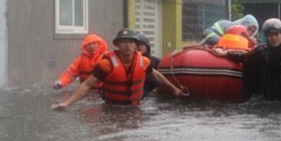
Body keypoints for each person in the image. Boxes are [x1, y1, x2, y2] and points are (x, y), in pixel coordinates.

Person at [51, 29, 186, 110]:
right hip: (111, 108)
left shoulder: (144, 62)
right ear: (118, 45)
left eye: (131, 42)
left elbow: (157, 76)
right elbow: (87, 85)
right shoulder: (106, 64)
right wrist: (66, 104)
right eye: (123, 42)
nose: (127, 45)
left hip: (136, 107)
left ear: (136, 46)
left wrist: (175, 90)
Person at [212, 18, 281, 101]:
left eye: (276, 34)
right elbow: (244, 57)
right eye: (270, 35)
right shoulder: (261, 52)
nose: (273, 38)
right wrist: (225, 53)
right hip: (263, 103)